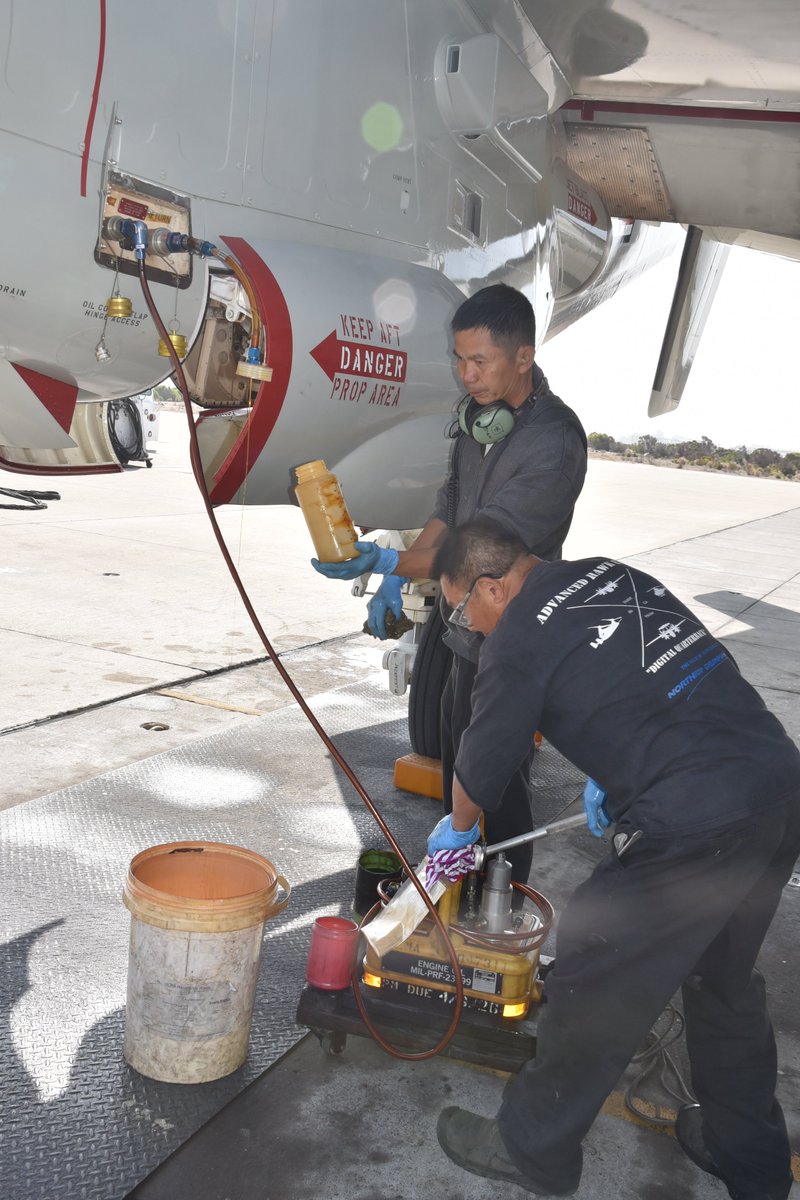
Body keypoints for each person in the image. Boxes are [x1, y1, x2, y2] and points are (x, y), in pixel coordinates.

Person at [429, 516, 800, 1200]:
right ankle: (751, 1162)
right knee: (722, 985)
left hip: (695, 819)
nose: (469, 626)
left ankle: (530, 1147)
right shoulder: (610, 574)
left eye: (462, 610)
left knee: (591, 974)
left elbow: (483, 758)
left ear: (492, 586)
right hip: (775, 787)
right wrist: (615, 771)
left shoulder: (516, 634)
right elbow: (661, 676)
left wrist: (456, 831)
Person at [312, 284, 588, 884]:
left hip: (511, 633)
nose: (467, 375)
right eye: (460, 360)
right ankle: (457, 888)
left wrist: (389, 564)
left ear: (523, 356)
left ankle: (504, 901)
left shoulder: (554, 441)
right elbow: (451, 505)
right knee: (457, 766)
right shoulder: (477, 426)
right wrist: (404, 554)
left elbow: (486, 550)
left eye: (480, 361)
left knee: (497, 779)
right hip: (463, 629)